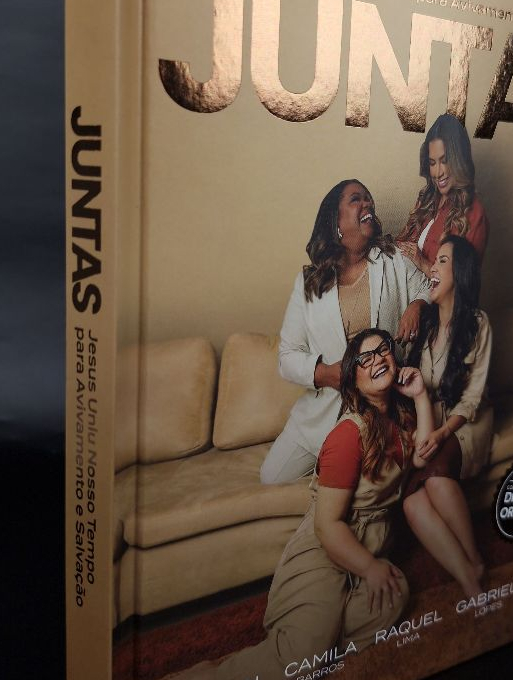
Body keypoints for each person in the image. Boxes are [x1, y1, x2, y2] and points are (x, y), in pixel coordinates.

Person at [191, 329, 435, 680]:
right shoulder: (348, 434)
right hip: (327, 548)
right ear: (353, 381)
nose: (378, 359)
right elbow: (327, 525)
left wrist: (421, 395)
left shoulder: (399, 420)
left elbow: (423, 457)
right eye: (365, 359)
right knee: (300, 657)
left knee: (395, 593)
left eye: (383, 350)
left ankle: (315, 645)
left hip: (370, 546)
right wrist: (370, 568)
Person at [260, 179, 431, 485]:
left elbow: (430, 286)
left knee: (377, 483)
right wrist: (326, 374)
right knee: (272, 477)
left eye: (369, 198)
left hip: (383, 407)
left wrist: (417, 305)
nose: (368, 204)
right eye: (356, 199)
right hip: (324, 410)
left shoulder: (393, 259)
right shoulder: (309, 282)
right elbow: (287, 357)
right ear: (335, 221)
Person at [403, 235, 493, 600]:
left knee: (436, 480)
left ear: (461, 272)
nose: (432, 268)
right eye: (434, 261)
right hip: (431, 421)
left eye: (442, 261)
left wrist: (442, 434)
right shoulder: (425, 323)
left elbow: (472, 398)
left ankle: (475, 560)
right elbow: (414, 382)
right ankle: (468, 575)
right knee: (411, 503)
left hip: (465, 424)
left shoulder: (478, 323)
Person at [396, 113, 488, 277]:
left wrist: (423, 264)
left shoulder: (474, 213)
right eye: (432, 163)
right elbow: (401, 245)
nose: (438, 173)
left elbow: (463, 283)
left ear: (459, 160)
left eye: (445, 161)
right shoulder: (426, 198)